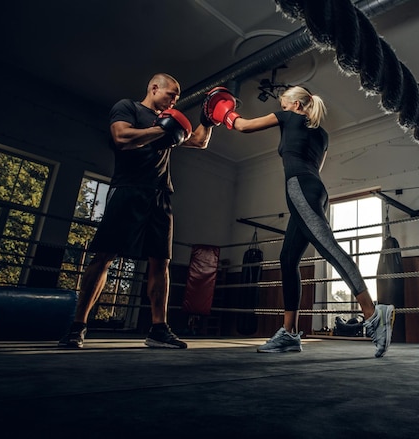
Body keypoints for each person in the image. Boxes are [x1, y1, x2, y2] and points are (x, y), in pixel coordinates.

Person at [202, 86, 395, 357]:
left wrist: (223, 113)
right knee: (287, 259)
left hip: (299, 188)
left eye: (283, 105)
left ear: (294, 105)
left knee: (328, 247)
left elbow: (244, 126)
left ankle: (373, 313)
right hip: (316, 190)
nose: (281, 109)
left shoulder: (289, 117)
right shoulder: (322, 135)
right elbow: (315, 167)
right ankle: (290, 334)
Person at [58, 73, 213, 349]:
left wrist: (207, 117)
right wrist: (163, 130)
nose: (173, 101)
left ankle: (158, 329)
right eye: (171, 95)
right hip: (129, 188)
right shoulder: (128, 107)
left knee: (160, 261)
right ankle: (77, 326)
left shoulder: (170, 121)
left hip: (161, 193)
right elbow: (121, 137)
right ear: (154, 88)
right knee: (104, 255)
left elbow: (199, 141)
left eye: (176, 98)